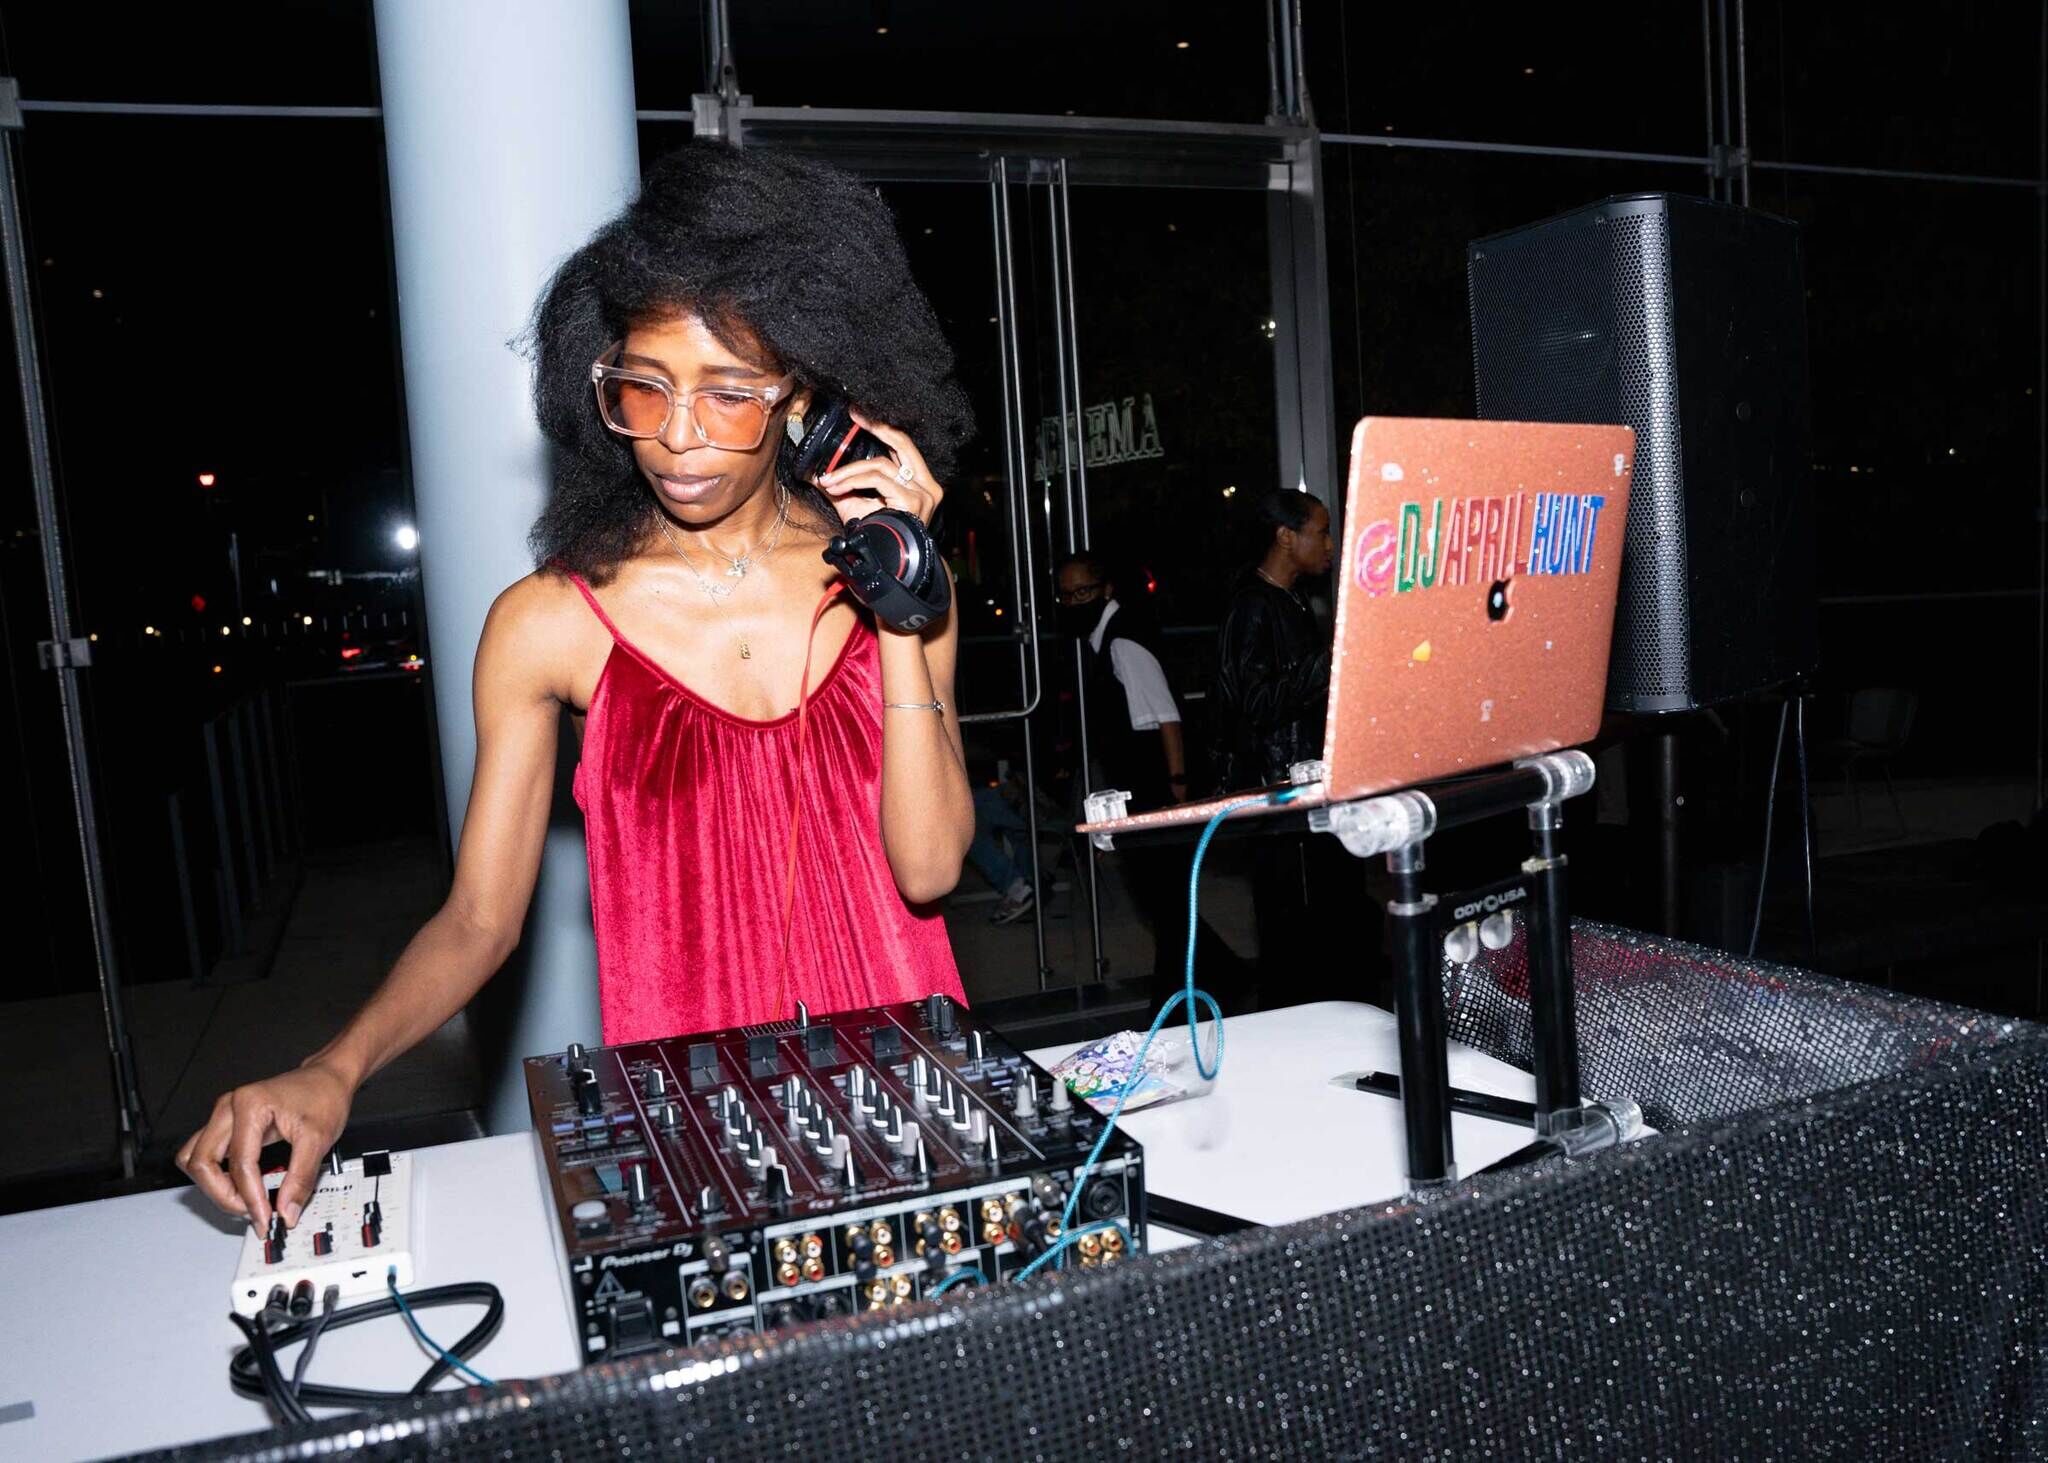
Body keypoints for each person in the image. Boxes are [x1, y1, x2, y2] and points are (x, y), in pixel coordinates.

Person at [177, 142, 977, 1230]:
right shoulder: (548, 622)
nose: (678, 437)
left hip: (908, 1087)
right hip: (691, 1125)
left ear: (803, 396)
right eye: (642, 388)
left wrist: (895, 591)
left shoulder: (900, 583)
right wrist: (333, 1067)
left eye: (728, 394)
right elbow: (476, 920)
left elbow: (928, 869)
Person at [1055, 552, 1253, 1008]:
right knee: (1163, 898)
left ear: (1105, 590)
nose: (1073, 602)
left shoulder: (1123, 641)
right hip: (1145, 784)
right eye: (1065, 596)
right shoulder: (1104, 640)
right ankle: (1218, 978)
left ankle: (1180, 992)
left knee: (1161, 896)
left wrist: (1176, 787)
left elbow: (1166, 718)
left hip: (1155, 787)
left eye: (1082, 592)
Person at [1211, 489, 1377, 1006]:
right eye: (1321, 531)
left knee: (1328, 925)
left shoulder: (1289, 601)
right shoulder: (1252, 607)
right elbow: (1256, 703)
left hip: (1306, 792)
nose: (1329, 543)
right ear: (1286, 537)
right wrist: (1333, 659)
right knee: (1297, 935)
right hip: (1283, 798)